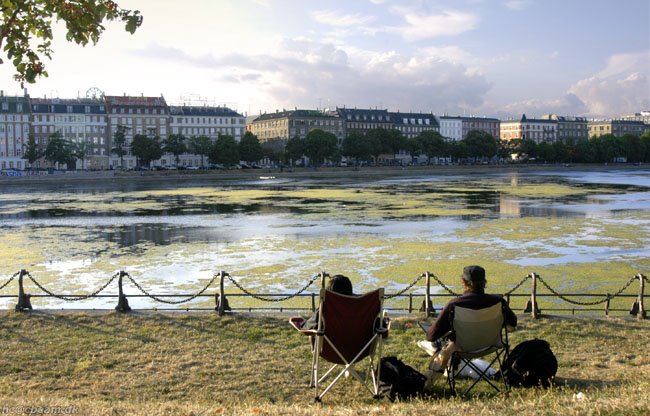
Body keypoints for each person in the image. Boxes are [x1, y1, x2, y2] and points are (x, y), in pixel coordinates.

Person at [418, 265, 517, 382]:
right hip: (491, 345)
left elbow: (431, 336)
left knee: (436, 343)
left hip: (462, 348)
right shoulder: (498, 302)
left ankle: (440, 375)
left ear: (464, 282)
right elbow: (513, 322)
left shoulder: (454, 305)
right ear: (484, 282)